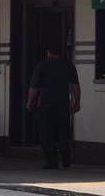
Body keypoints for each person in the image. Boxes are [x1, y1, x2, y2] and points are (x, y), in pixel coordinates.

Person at [26, 41, 80, 169]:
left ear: (48, 52)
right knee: (63, 131)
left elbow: (34, 88)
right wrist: (76, 102)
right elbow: (75, 86)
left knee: (46, 134)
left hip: (45, 105)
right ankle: (65, 154)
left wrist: (29, 102)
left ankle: (52, 162)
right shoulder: (68, 65)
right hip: (63, 105)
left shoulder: (42, 66)